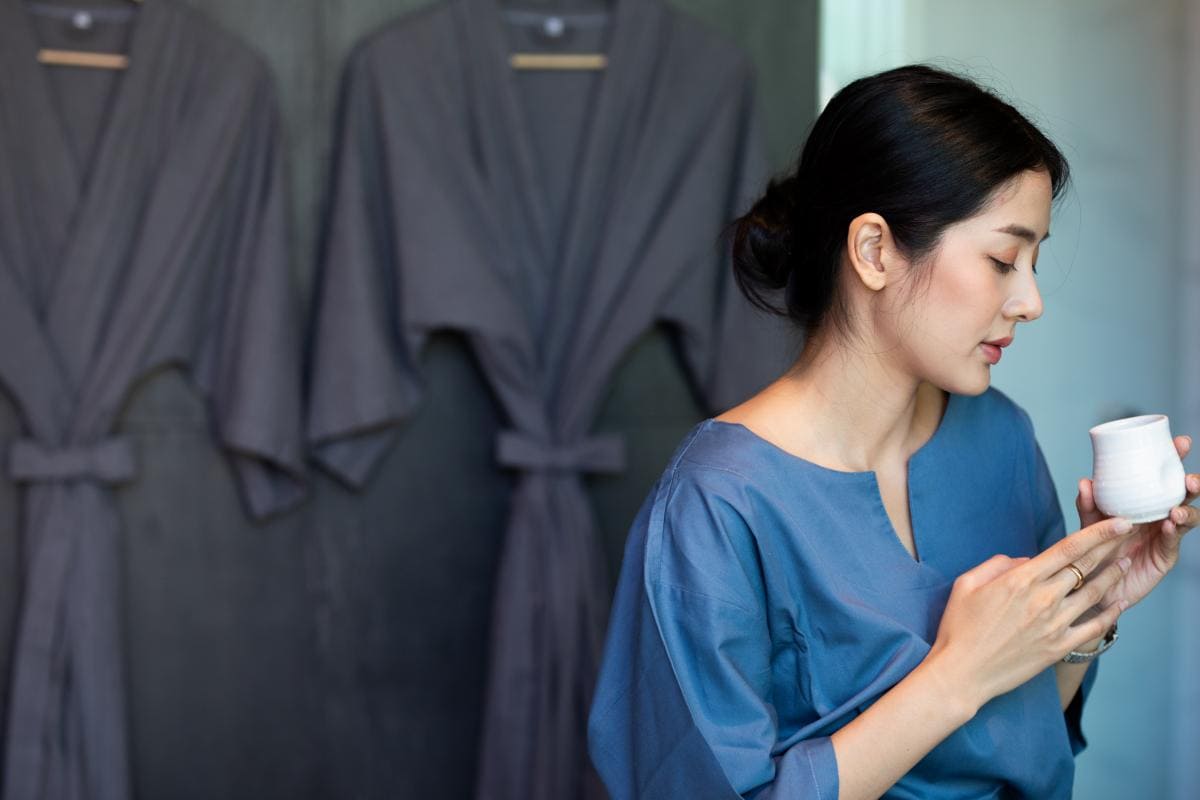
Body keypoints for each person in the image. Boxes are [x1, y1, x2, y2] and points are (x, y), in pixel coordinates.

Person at [586, 64, 1200, 800]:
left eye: (1033, 263)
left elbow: (1025, 735)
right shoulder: (716, 507)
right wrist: (957, 673)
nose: (1030, 301)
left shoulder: (1000, 440)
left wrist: (1094, 602)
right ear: (874, 250)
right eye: (1004, 260)